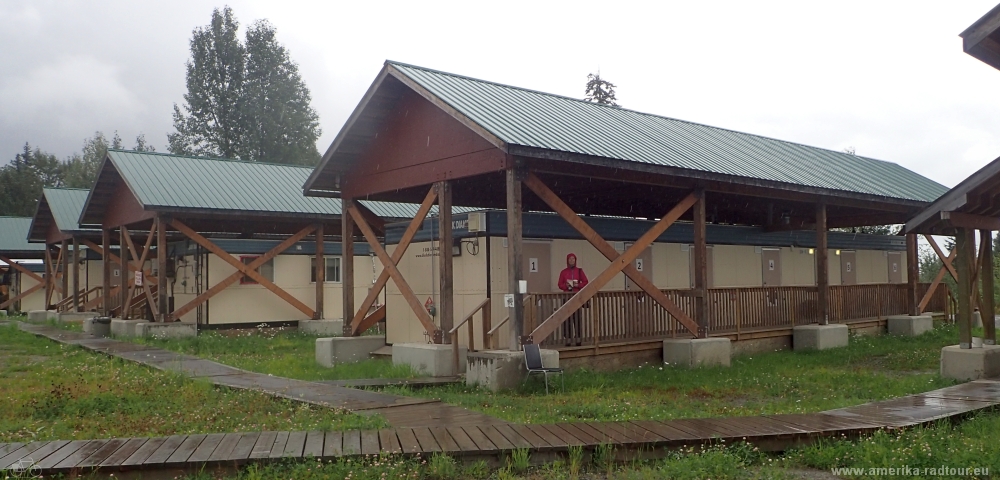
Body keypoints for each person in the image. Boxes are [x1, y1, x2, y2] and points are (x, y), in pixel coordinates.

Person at [557, 253, 589, 346]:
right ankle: (568, 339)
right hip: (567, 297)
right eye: (570, 259)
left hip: (577, 297)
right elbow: (559, 284)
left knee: (577, 318)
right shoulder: (563, 272)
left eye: (573, 259)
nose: (571, 261)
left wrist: (577, 285)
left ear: (575, 260)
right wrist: (566, 286)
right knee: (567, 319)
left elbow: (586, 282)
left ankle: (578, 339)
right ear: (567, 260)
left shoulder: (579, 271)